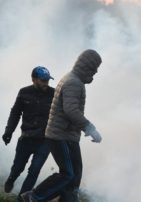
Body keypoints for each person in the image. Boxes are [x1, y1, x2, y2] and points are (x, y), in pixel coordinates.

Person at [20, 49, 103, 202]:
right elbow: (71, 111)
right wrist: (91, 129)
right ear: (86, 67)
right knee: (68, 174)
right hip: (60, 136)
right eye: (94, 68)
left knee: (75, 173)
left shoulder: (73, 80)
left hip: (67, 135)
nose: (95, 72)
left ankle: (67, 199)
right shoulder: (73, 82)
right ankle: (32, 197)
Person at [2, 67, 54, 199]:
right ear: (34, 79)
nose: (46, 83)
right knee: (18, 168)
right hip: (26, 138)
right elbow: (15, 113)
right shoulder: (24, 92)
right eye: (43, 80)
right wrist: (9, 131)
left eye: (47, 80)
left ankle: (22, 198)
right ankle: (11, 179)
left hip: (45, 140)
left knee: (34, 171)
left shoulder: (54, 94)